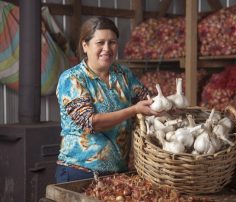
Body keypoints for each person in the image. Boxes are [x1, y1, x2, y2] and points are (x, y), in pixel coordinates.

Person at [55, 16, 159, 183]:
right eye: (100, 43)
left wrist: (168, 106)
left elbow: (148, 101)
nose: (107, 48)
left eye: (112, 42)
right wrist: (133, 110)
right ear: (85, 45)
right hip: (80, 172)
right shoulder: (73, 79)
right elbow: (91, 123)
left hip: (118, 172)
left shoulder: (123, 75)